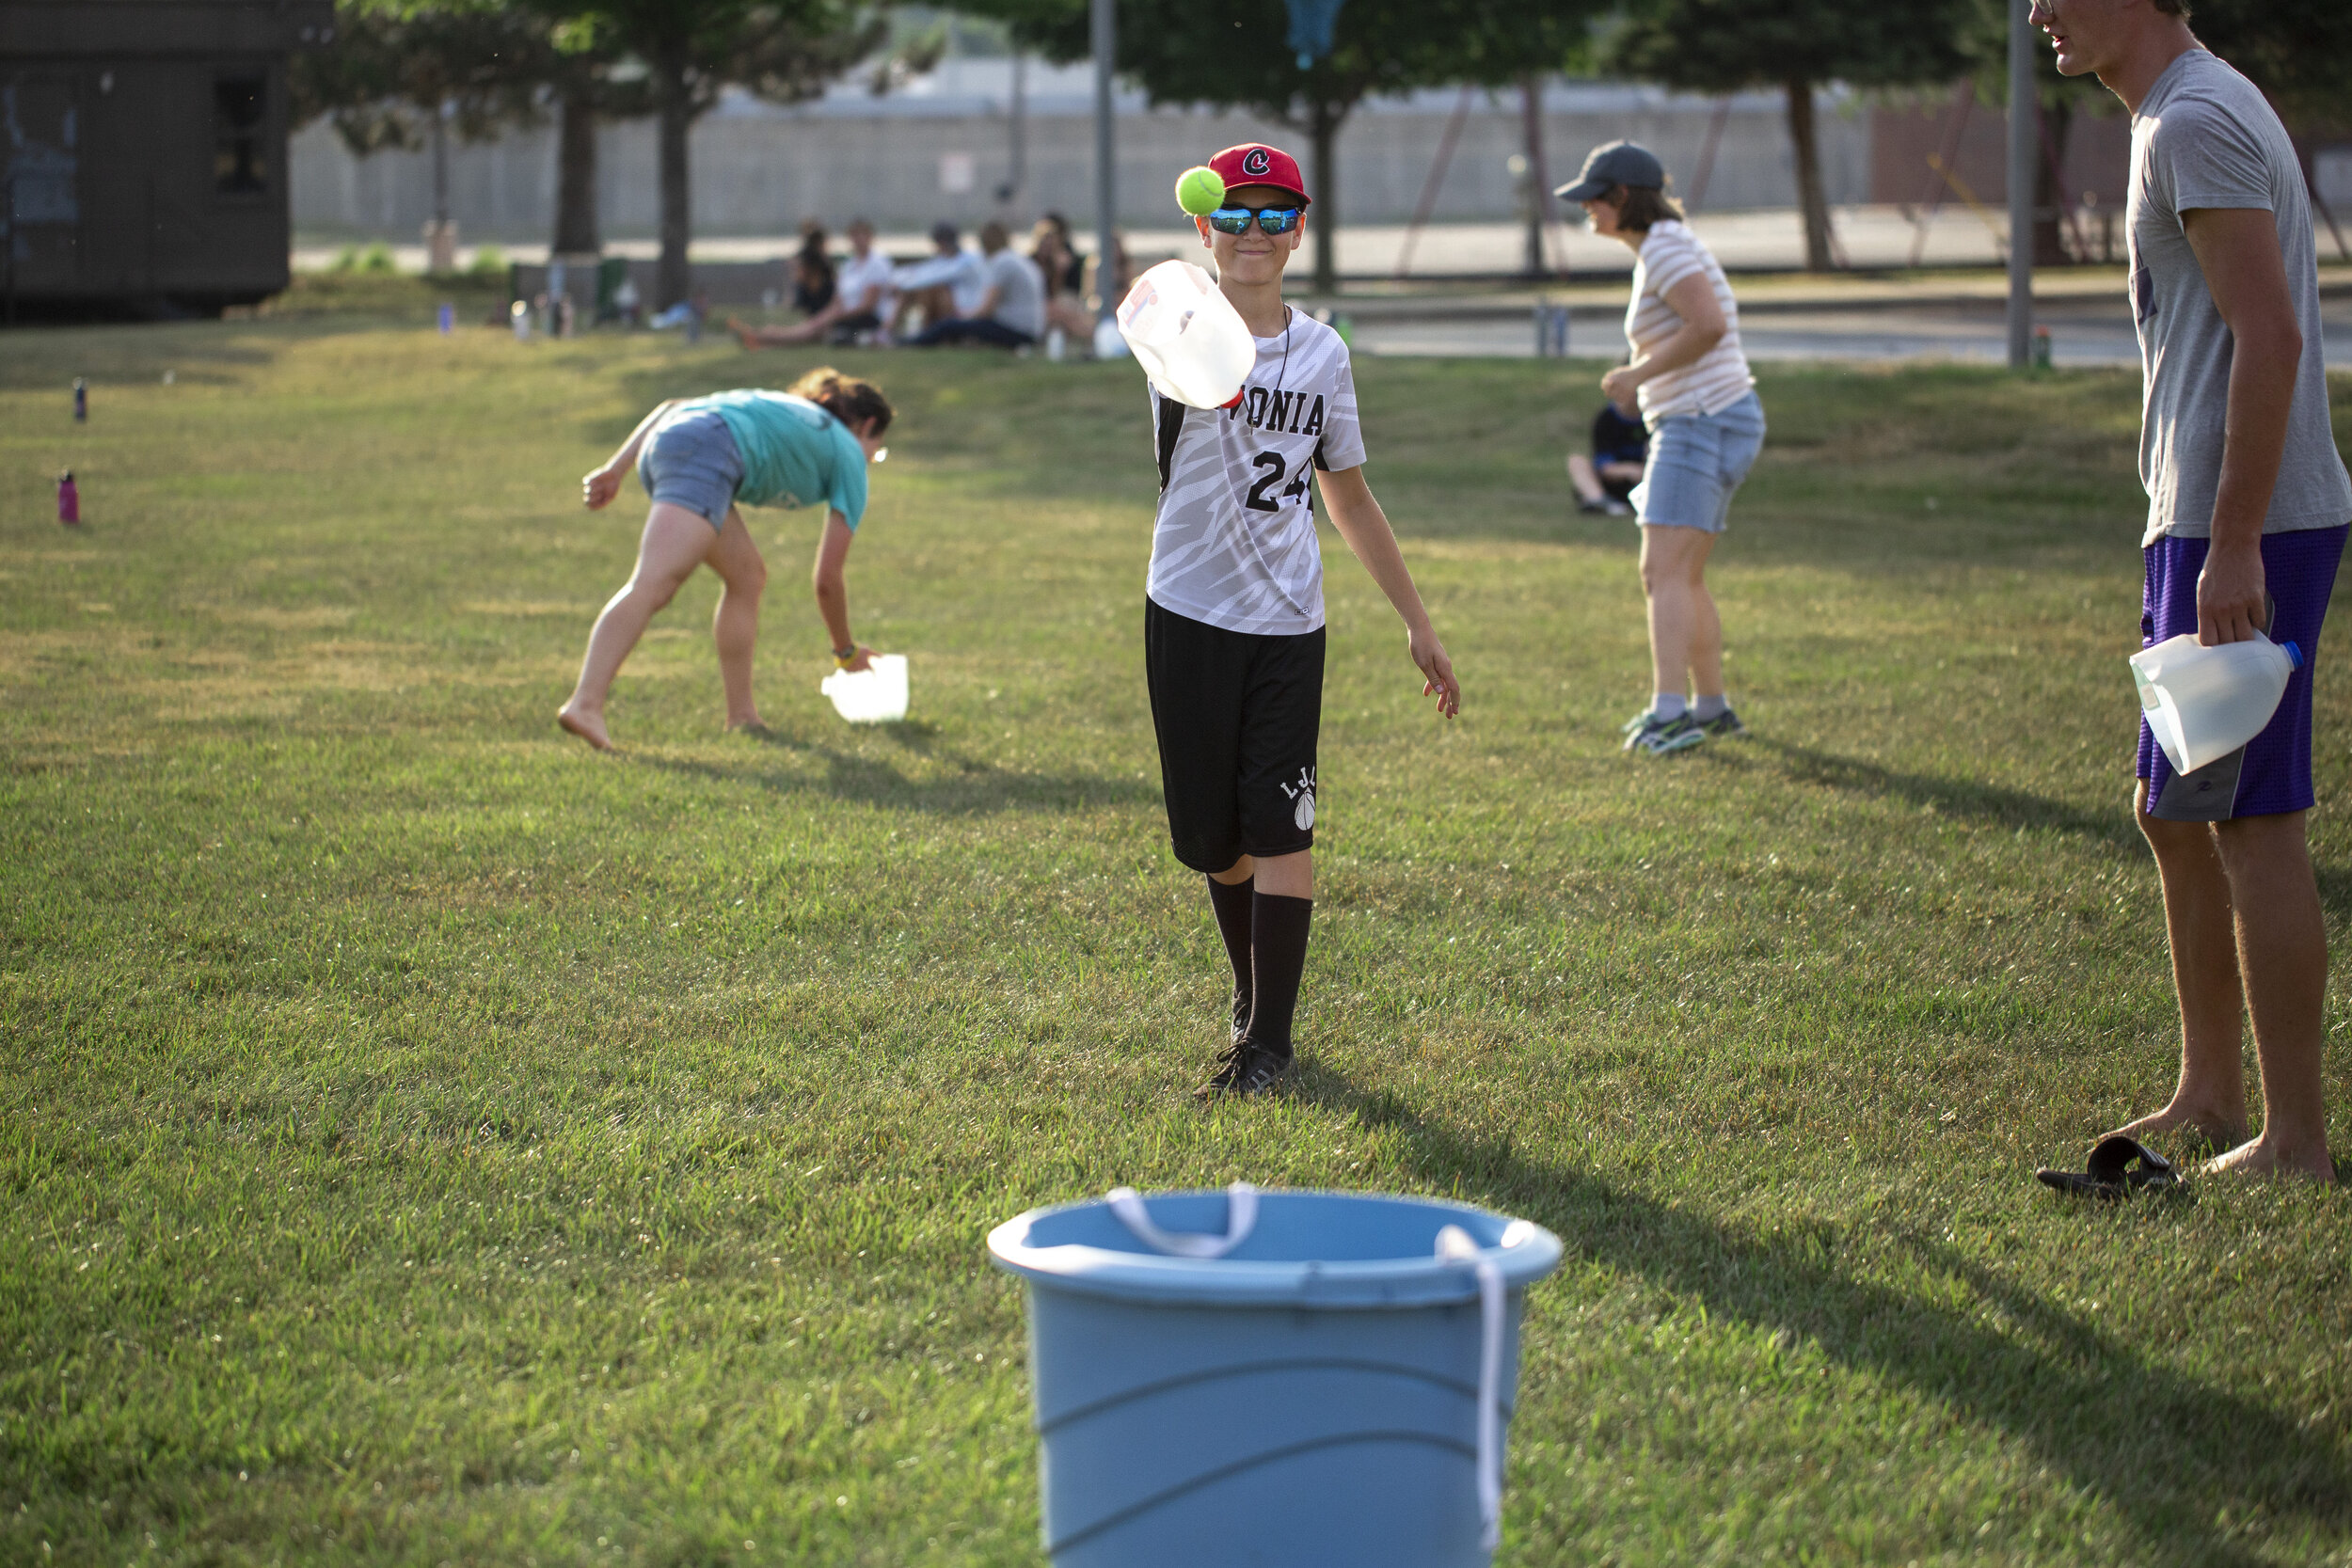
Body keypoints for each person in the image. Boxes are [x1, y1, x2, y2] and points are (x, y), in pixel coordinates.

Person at [2042, 0, 2352, 1180]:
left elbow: (2267, 339)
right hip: (2199, 518)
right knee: (2171, 813)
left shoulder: (2195, 119)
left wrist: (2232, 549)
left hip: (2246, 525)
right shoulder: (2172, 111)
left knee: (2249, 821)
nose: (2037, 13)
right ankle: (2211, 1094)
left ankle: (2295, 1139)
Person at [1144, 141, 1461, 1098]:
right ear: (1205, 230)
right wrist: (1198, 270)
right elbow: (1170, 329)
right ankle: (1249, 995)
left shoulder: (1324, 352)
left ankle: (1267, 1043)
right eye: (1232, 217)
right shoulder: (1179, 328)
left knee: (1283, 829)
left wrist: (1416, 619)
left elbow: (1349, 498)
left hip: (1289, 621)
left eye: (1273, 215)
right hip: (1188, 610)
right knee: (1216, 839)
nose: (1253, 233)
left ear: (1300, 229)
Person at [556, 369, 895, 752]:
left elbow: (673, 407)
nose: (870, 460)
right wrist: (845, 652)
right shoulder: (848, 452)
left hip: (669, 443)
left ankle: (742, 715)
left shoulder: (792, 412)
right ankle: (585, 703)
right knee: (654, 583)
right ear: (867, 425)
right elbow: (827, 580)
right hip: (706, 452)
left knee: (747, 576)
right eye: (876, 450)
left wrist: (617, 468)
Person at [1559, 140, 1764, 757]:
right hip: (1720, 416)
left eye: (1594, 198)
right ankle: (1711, 706)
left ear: (1622, 197)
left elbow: (1709, 326)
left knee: (1662, 572)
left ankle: (1670, 714)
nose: (1587, 209)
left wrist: (1635, 376)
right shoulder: (1670, 245)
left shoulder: (1667, 248)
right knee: (1686, 575)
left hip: (1698, 422)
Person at [729, 219, 896, 349]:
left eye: (862, 235)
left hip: (866, 318)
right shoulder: (849, 265)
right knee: (811, 328)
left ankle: (764, 336)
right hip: (842, 313)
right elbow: (838, 299)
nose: (858, 240)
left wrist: (833, 316)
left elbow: (868, 305)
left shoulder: (877, 263)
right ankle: (765, 337)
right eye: (855, 236)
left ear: (870, 237)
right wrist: (827, 315)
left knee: (812, 330)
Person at [910, 220, 1045, 350]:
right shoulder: (1018, 259)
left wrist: (962, 316)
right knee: (958, 326)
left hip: (1017, 332)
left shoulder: (1002, 262)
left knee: (949, 325)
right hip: (1031, 331)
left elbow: (986, 310)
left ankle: (912, 343)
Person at [889, 222, 987, 341]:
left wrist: (902, 285)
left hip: (967, 310)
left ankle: (921, 334)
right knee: (911, 292)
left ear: (943, 242)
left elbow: (933, 278)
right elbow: (918, 270)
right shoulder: (942, 260)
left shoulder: (968, 262)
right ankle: (891, 330)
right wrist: (897, 281)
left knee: (931, 289)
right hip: (952, 307)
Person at [1569, 399, 1647, 516]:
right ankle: (1601, 501)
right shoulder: (1607, 419)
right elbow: (1603, 466)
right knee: (1576, 461)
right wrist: (1628, 470)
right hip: (1613, 480)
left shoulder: (1652, 418)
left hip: (1643, 480)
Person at [1032, 214, 1095, 343]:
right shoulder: (1030, 262)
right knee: (1061, 311)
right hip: (1038, 305)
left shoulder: (1064, 261)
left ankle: (1091, 336)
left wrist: (1060, 272)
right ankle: (1092, 336)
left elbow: (1064, 291)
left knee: (1064, 309)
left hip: (1057, 302)